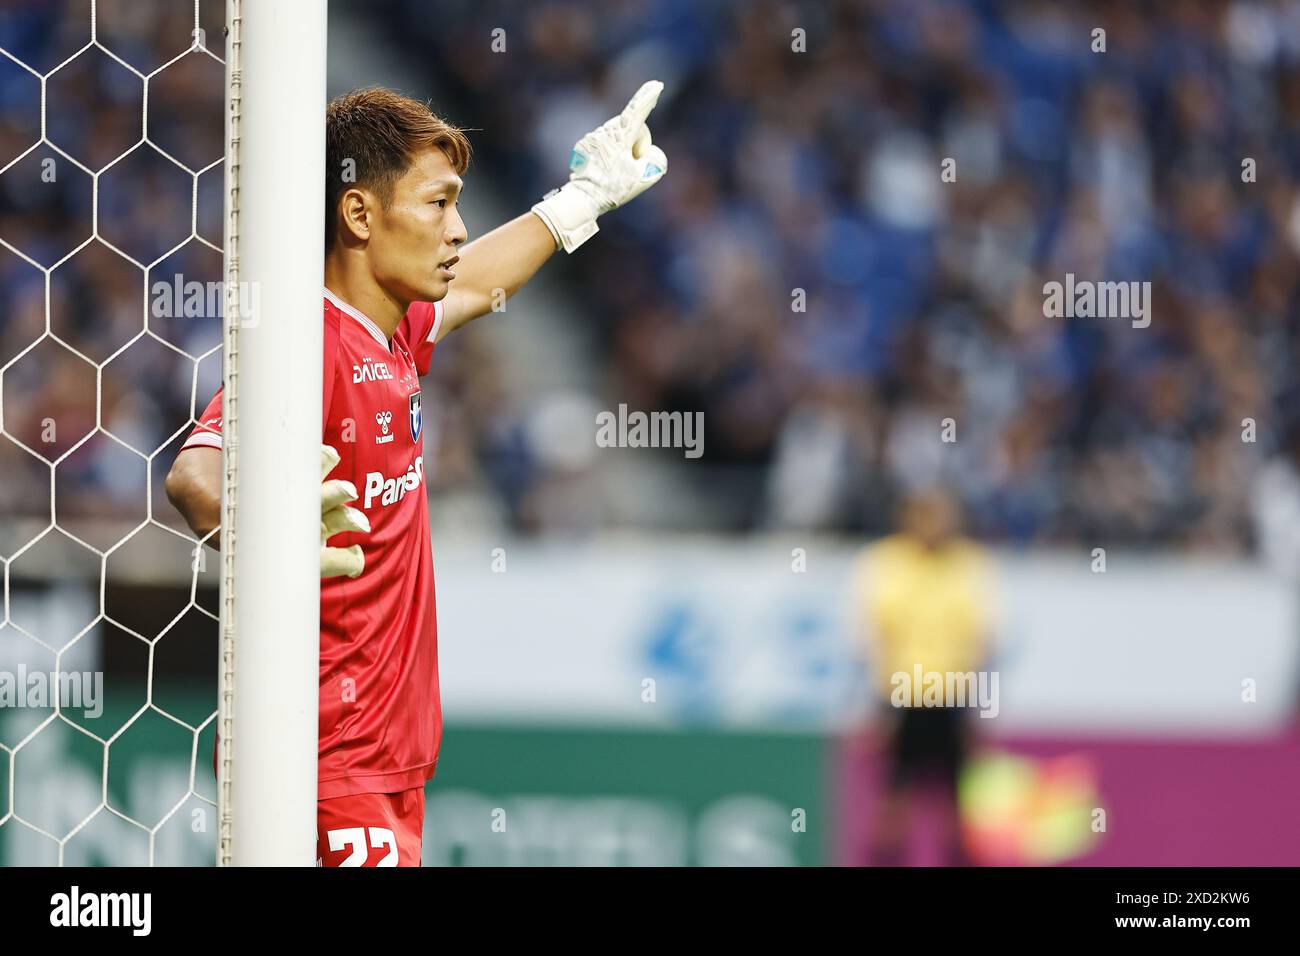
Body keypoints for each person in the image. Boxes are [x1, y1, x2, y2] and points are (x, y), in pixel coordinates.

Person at [164, 83, 668, 866]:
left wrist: (582, 200)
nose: (457, 229)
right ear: (360, 215)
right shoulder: (312, 346)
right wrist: (265, 529)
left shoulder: (386, 336)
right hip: (328, 763)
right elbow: (195, 476)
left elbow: (472, 282)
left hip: (381, 765)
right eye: (438, 205)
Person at [851, 487, 996, 866]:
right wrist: (876, 709)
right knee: (892, 801)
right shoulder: (885, 563)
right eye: (923, 514)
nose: (931, 524)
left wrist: (979, 707)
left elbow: (982, 644)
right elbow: (872, 640)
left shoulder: (969, 565)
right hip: (901, 696)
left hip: (952, 698)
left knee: (959, 804)